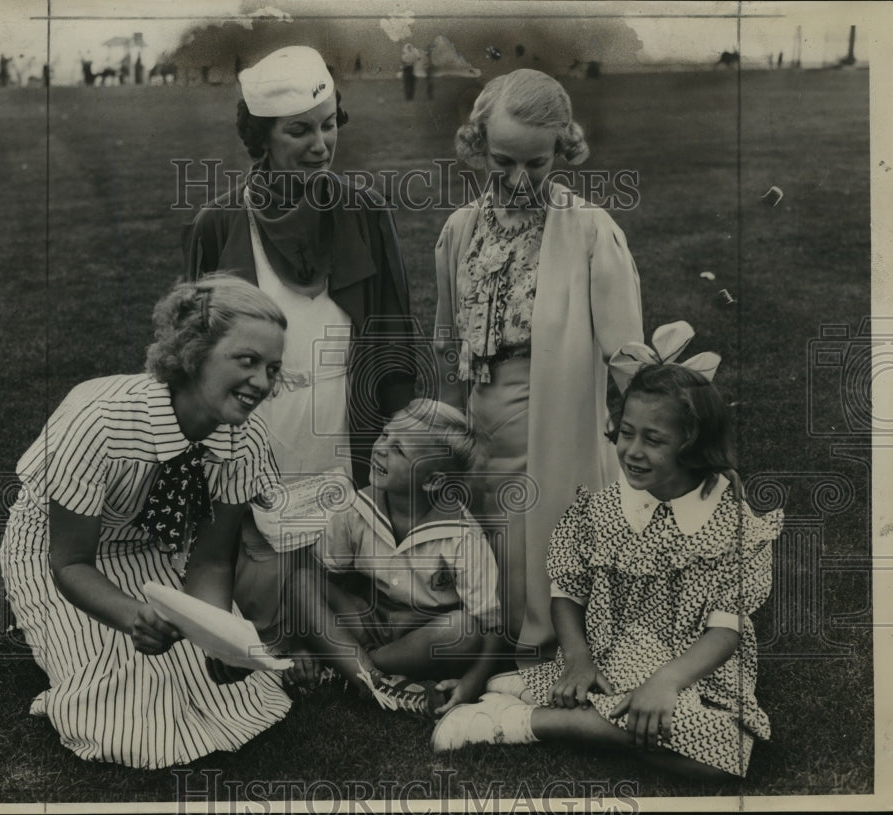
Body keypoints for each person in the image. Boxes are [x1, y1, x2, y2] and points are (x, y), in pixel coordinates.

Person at [432, 325, 782, 779]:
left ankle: (548, 707)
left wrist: (667, 681)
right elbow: (567, 589)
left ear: (694, 446)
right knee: (714, 747)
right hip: (611, 653)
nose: (632, 451)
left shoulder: (730, 524)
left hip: (693, 666)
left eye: (653, 440)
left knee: (730, 752)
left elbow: (725, 628)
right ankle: (523, 722)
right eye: (626, 434)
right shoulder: (602, 511)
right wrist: (578, 658)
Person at [0, 275, 296, 769]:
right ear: (194, 350)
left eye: (272, 368)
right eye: (246, 361)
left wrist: (216, 635)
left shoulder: (243, 440)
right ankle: (58, 638)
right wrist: (130, 615)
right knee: (126, 721)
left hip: (153, 548)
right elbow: (69, 560)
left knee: (242, 696)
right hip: (57, 552)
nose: (262, 383)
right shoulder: (99, 418)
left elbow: (209, 561)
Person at [182, 45, 415, 654]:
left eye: (330, 124)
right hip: (258, 438)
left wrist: (405, 439)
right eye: (299, 131)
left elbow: (393, 335)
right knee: (264, 599)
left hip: (345, 434)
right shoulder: (219, 221)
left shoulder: (365, 212)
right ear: (260, 139)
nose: (321, 144)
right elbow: (193, 355)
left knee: (357, 584)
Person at [433, 68, 644, 661]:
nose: (519, 181)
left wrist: (666, 436)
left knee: (549, 563)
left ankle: (547, 640)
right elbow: (448, 341)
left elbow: (628, 358)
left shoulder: (591, 232)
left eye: (537, 163)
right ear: (477, 146)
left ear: (562, 149)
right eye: (503, 162)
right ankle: (490, 641)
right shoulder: (459, 230)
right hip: (478, 435)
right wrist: (447, 435)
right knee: (483, 563)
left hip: (555, 430)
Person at [292, 399, 502, 716]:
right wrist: (303, 642)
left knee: (463, 630)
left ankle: (353, 666)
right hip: (368, 620)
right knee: (301, 581)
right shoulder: (355, 508)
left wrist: (473, 682)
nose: (380, 448)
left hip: (422, 637)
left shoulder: (463, 537)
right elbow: (325, 580)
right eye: (385, 434)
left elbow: (492, 628)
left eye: (399, 450)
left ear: (431, 481)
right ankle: (372, 675)